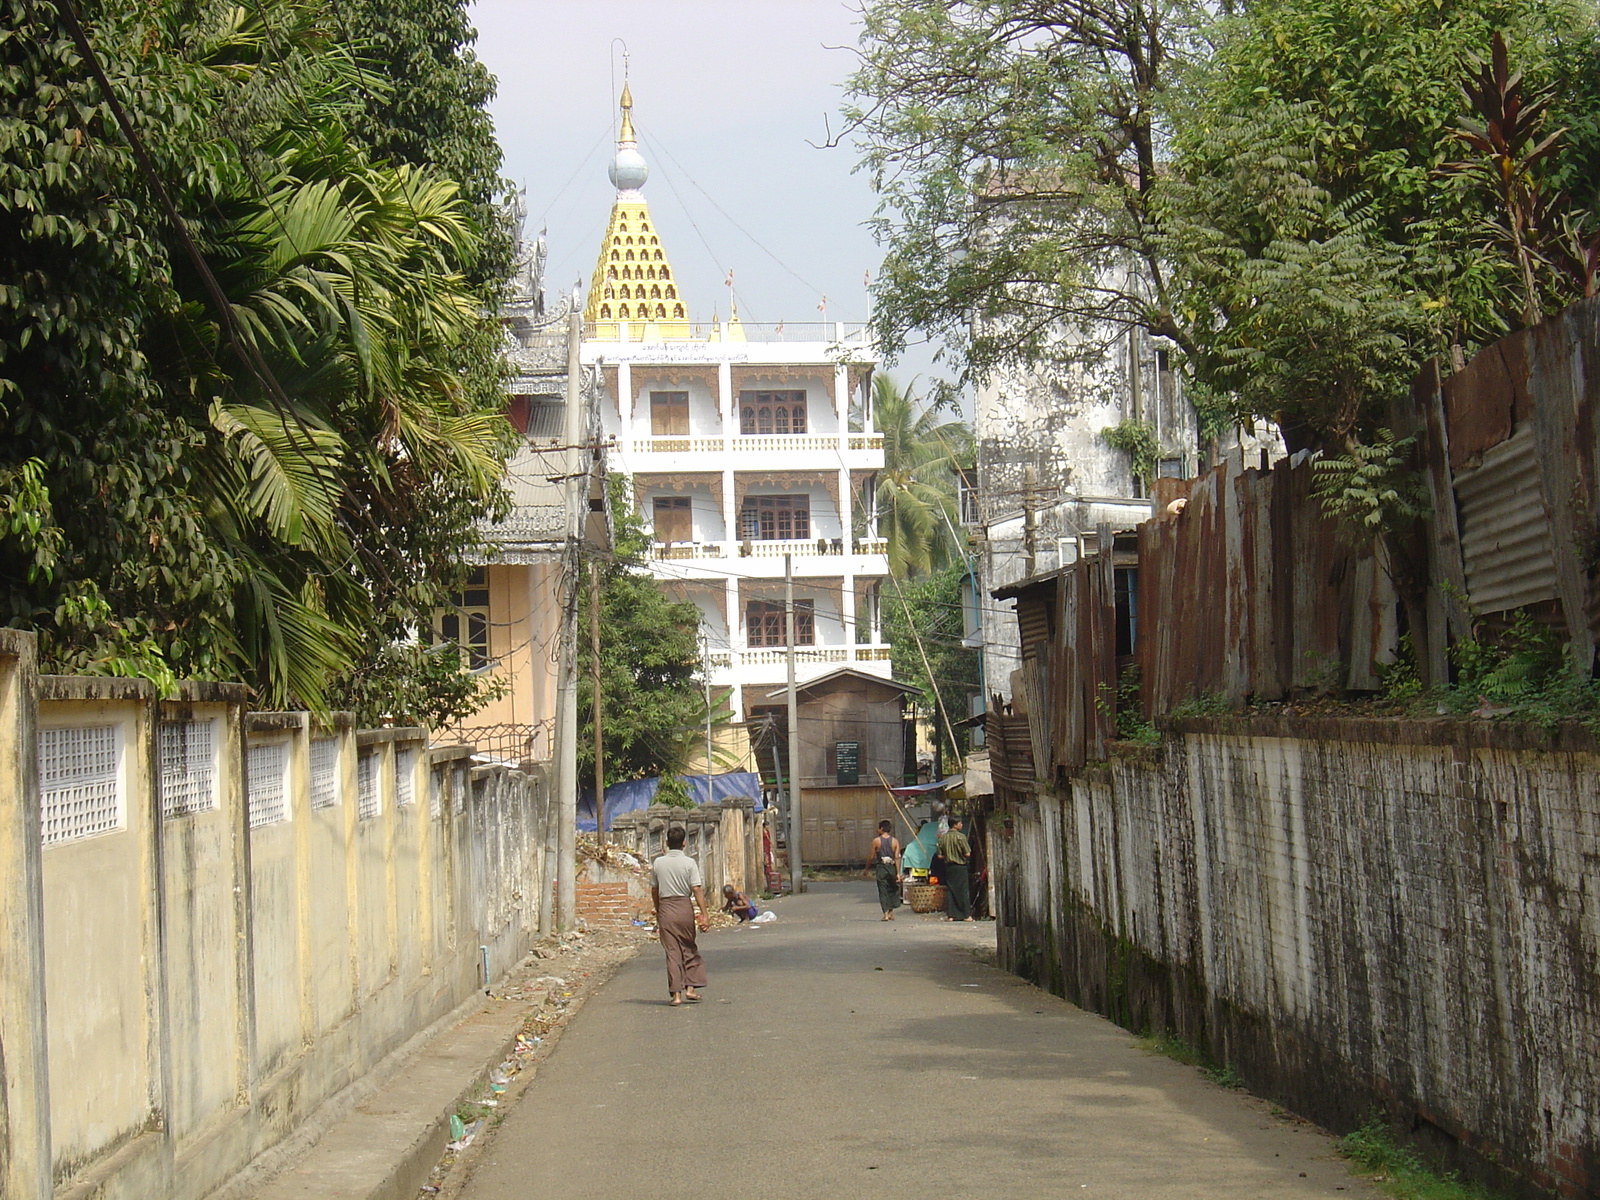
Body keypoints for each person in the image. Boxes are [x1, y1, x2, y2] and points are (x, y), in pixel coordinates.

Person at [650, 826, 710, 1006]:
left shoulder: (658, 863)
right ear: (684, 843)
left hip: (666, 908)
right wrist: (704, 914)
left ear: (667, 843)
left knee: (672, 952)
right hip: (684, 907)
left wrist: (659, 909)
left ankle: (676, 995)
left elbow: (654, 890)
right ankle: (690, 988)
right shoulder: (689, 863)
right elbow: (696, 889)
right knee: (688, 947)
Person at [864, 819, 903, 921]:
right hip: (891, 867)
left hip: (881, 867)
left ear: (881, 828)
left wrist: (867, 869)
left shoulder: (876, 841)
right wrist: (898, 873)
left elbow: (871, 856)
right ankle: (891, 912)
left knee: (883, 889)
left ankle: (885, 913)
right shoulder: (895, 841)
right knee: (893, 888)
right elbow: (897, 857)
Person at [937, 815, 973, 921]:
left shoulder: (942, 837)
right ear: (955, 825)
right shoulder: (961, 837)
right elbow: (967, 853)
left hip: (949, 867)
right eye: (960, 823)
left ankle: (951, 915)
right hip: (960, 867)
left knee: (951, 890)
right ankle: (966, 915)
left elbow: (939, 855)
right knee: (963, 891)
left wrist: (948, 855)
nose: (961, 825)